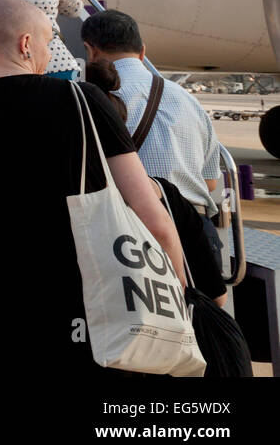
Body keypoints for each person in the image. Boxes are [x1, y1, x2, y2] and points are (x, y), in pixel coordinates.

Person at [0, 0, 187, 378]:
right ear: (26, 43)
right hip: (90, 318)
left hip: (4, 322)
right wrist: (179, 286)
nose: (50, 54)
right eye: (49, 42)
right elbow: (151, 214)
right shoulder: (83, 101)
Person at [80, 9, 224, 270]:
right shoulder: (187, 99)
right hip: (197, 231)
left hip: (132, 234)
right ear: (143, 51)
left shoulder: (92, 98)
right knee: (201, 309)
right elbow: (210, 182)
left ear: (90, 51)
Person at [85, 58, 228, 308]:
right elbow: (217, 298)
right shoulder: (167, 195)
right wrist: (179, 287)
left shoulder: (78, 201)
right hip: (164, 328)